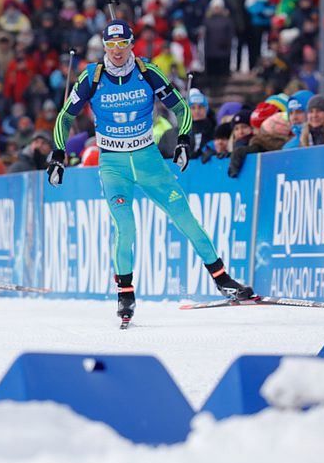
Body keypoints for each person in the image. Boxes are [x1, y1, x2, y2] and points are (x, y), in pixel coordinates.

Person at [47, 20, 254, 326]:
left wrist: (184, 140)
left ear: (132, 45)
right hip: (114, 165)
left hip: (149, 161)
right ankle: (126, 295)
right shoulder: (93, 76)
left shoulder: (147, 71)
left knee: (184, 216)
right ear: (104, 48)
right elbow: (65, 116)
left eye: (122, 45)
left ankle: (223, 279)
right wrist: (58, 154)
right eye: (111, 46)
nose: (117, 52)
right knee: (126, 228)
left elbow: (182, 108)